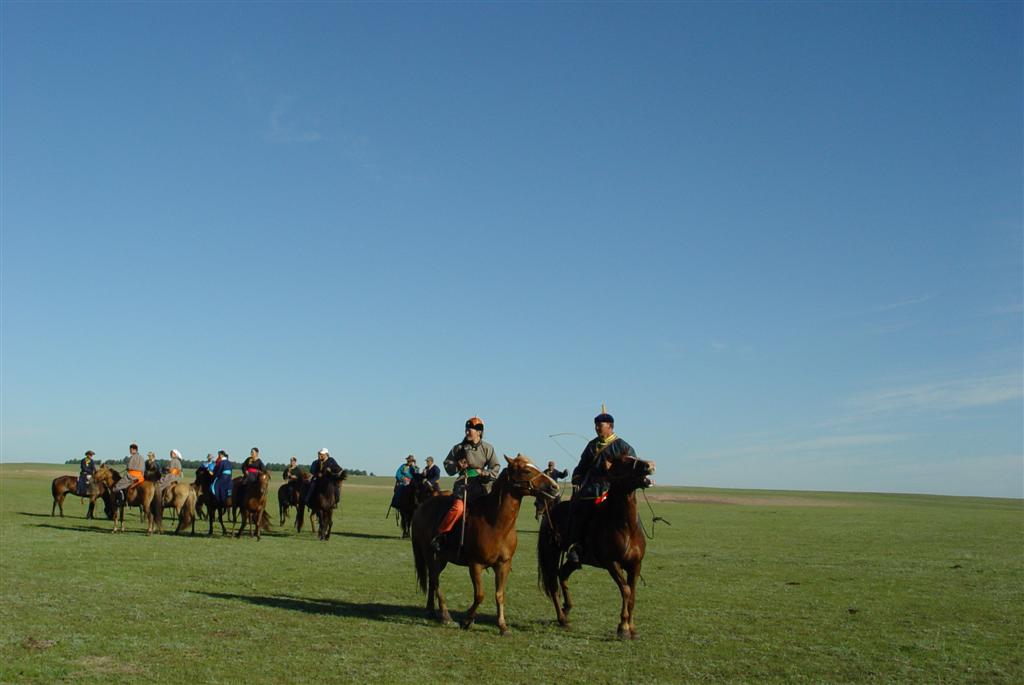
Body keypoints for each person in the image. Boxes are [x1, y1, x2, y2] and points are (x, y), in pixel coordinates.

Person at [566, 409, 637, 564]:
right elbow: (581, 467)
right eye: (596, 425)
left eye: (600, 425)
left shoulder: (623, 447)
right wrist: (577, 477)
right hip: (590, 491)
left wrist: (611, 469)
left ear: (610, 426)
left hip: (612, 492)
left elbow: (632, 470)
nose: (597, 428)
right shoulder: (591, 446)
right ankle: (576, 547)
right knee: (578, 511)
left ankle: (635, 546)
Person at [431, 416, 500, 552]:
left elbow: (496, 468)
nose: (467, 431)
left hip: (482, 488)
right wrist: (457, 465)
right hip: (463, 485)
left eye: (471, 429)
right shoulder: (458, 448)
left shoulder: (488, 448)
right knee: (458, 508)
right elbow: (447, 464)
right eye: (467, 429)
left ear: (479, 432)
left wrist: (484, 472)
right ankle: (440, 535)